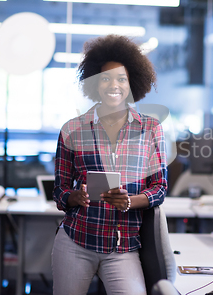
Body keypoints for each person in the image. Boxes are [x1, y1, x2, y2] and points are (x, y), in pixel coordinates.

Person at [52, 34, 167, 295]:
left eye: (121, 78)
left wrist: (130, 201)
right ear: (94, 82)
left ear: (132, 82)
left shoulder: (150, 128)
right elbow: (59, 191)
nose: (113, 85)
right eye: (105, 78)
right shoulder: (72, 129)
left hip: (123, 246)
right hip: (76, 241)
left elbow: (159, 188)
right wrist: (73, 197)